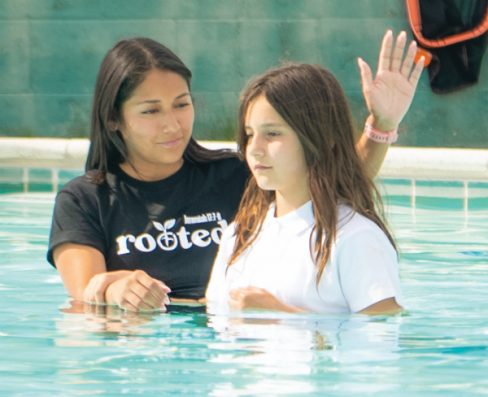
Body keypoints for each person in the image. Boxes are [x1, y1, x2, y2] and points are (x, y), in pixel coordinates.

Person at [47, 30, 423, 312]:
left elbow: (329, 180)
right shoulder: (85, 200)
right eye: (151, 110)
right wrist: (114, 290)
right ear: (114, 119)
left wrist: (381, 125)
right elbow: (85, 299)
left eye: (181, 104)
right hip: (143, 354)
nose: (172, 124)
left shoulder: (234, 174)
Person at [205, 56, 423, 315]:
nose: (254, 149)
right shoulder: (239, 235)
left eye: (272, 134)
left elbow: (381, 334)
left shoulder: (355, 237)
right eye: (250, 134)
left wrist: (282, 315)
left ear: (323, 137)